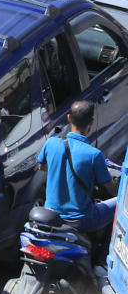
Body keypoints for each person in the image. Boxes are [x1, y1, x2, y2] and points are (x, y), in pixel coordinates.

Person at [37, 99, 118, 234]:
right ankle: (108, 252)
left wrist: (59, 170)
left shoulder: (51, 143)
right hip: (82, 221)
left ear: (69, 118)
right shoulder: (95, 155)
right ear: (91, 122)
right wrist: (119, 193)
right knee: (120, 203)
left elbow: (41, 166)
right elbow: (110, 188)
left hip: (51, 216)